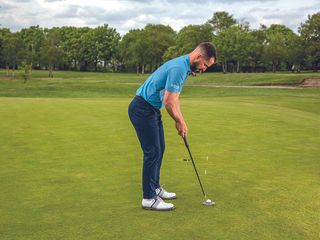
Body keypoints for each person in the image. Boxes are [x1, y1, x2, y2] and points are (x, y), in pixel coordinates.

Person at [128, 42, 217, 211]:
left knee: (159, 149)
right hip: (142, 108)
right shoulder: (179, 68)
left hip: (152, 110)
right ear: (198, 57)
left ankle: (154, 188)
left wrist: (180, 120)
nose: (204, 69)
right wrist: (179, 121)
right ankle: (148, 198)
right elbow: (168, 101)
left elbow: (174, 99)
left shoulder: (185, 67)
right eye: (205, 65)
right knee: (152, 152)